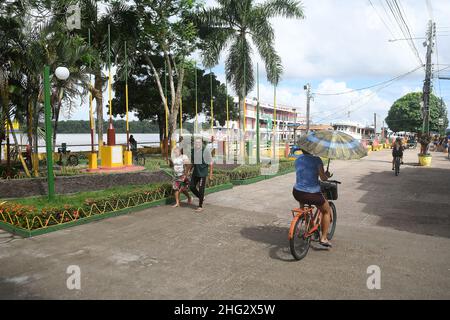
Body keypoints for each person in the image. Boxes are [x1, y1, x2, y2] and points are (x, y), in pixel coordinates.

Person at [292, 149, 333, 248]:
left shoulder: (297, 159)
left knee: (305, 211)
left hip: (297, 192)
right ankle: (323, 238)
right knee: (326, 211)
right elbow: (323, 178)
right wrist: (326, 175)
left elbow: (304, 174)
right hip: (312, 194)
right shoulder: (316, 160)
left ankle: (310, 228)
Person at [189, 137, 213, 212]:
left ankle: (200, 206)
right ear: (194, 143)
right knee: (191, 186)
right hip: (195, 172)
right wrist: (189, 170)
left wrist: (210, 174)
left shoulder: (205, 151)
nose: (197, 144)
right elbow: (192, 162)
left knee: (201, 189)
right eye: (196, 143)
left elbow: (211, 162)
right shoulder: (193, 150)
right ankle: (201, 197)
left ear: (201, 143)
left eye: (199, 142)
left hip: (203, 173)